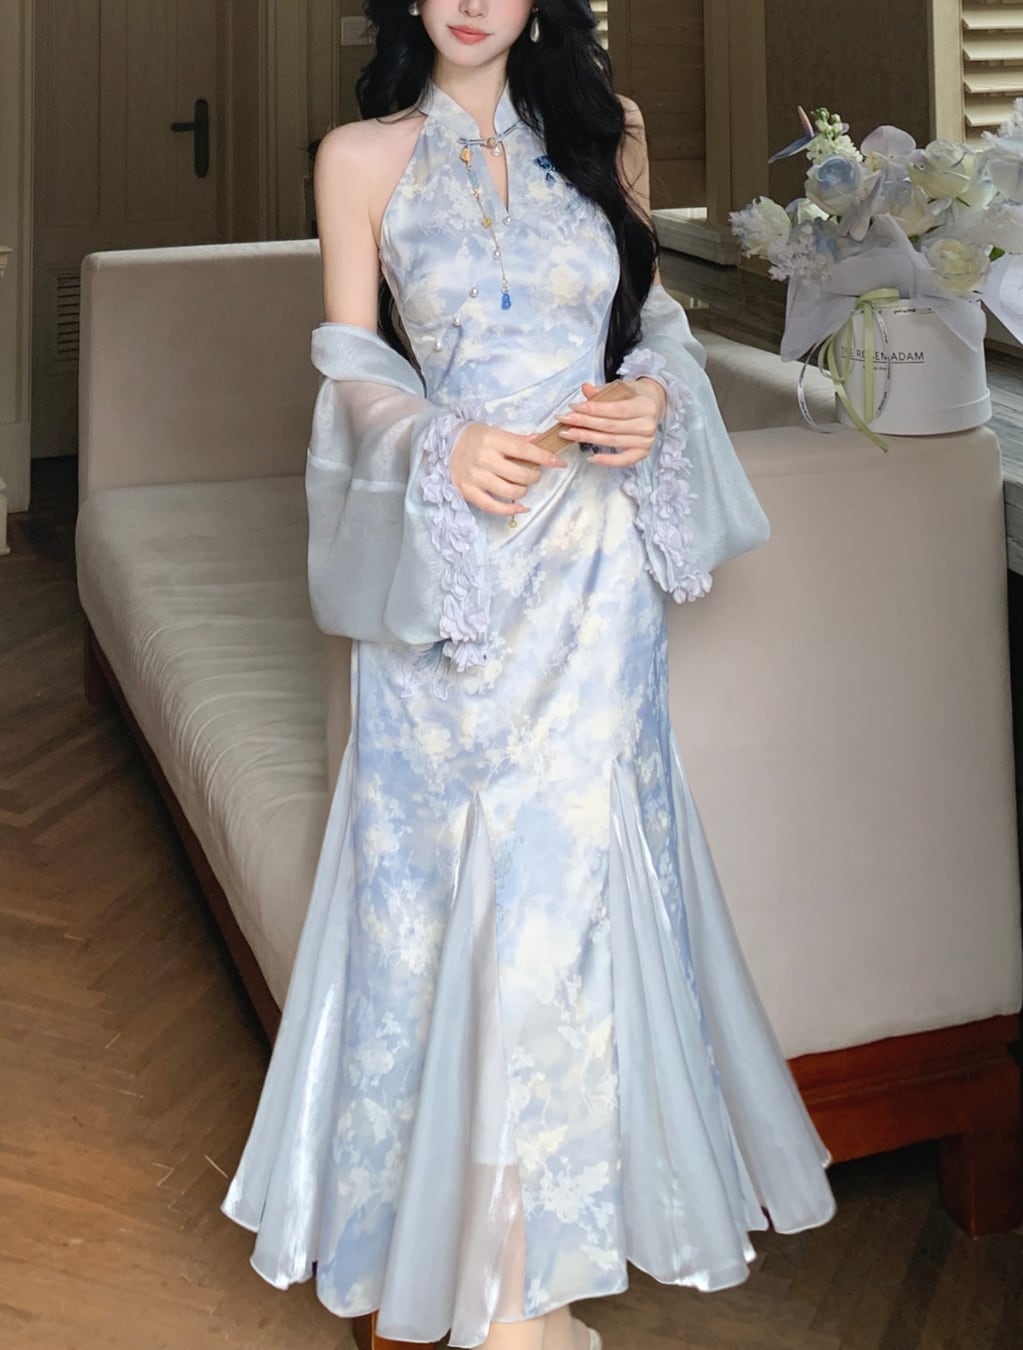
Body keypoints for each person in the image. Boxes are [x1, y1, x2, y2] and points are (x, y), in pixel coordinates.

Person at [220, 2, 839, 1347]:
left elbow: (654, 323)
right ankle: (492, 1281)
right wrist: (436, 439)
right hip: (452, 577)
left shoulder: (610, 134)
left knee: (568, 907)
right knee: (446, 901)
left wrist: (657, 394)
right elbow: (350, 363)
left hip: (595, 575)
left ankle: (524, 1292)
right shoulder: (359, 157)